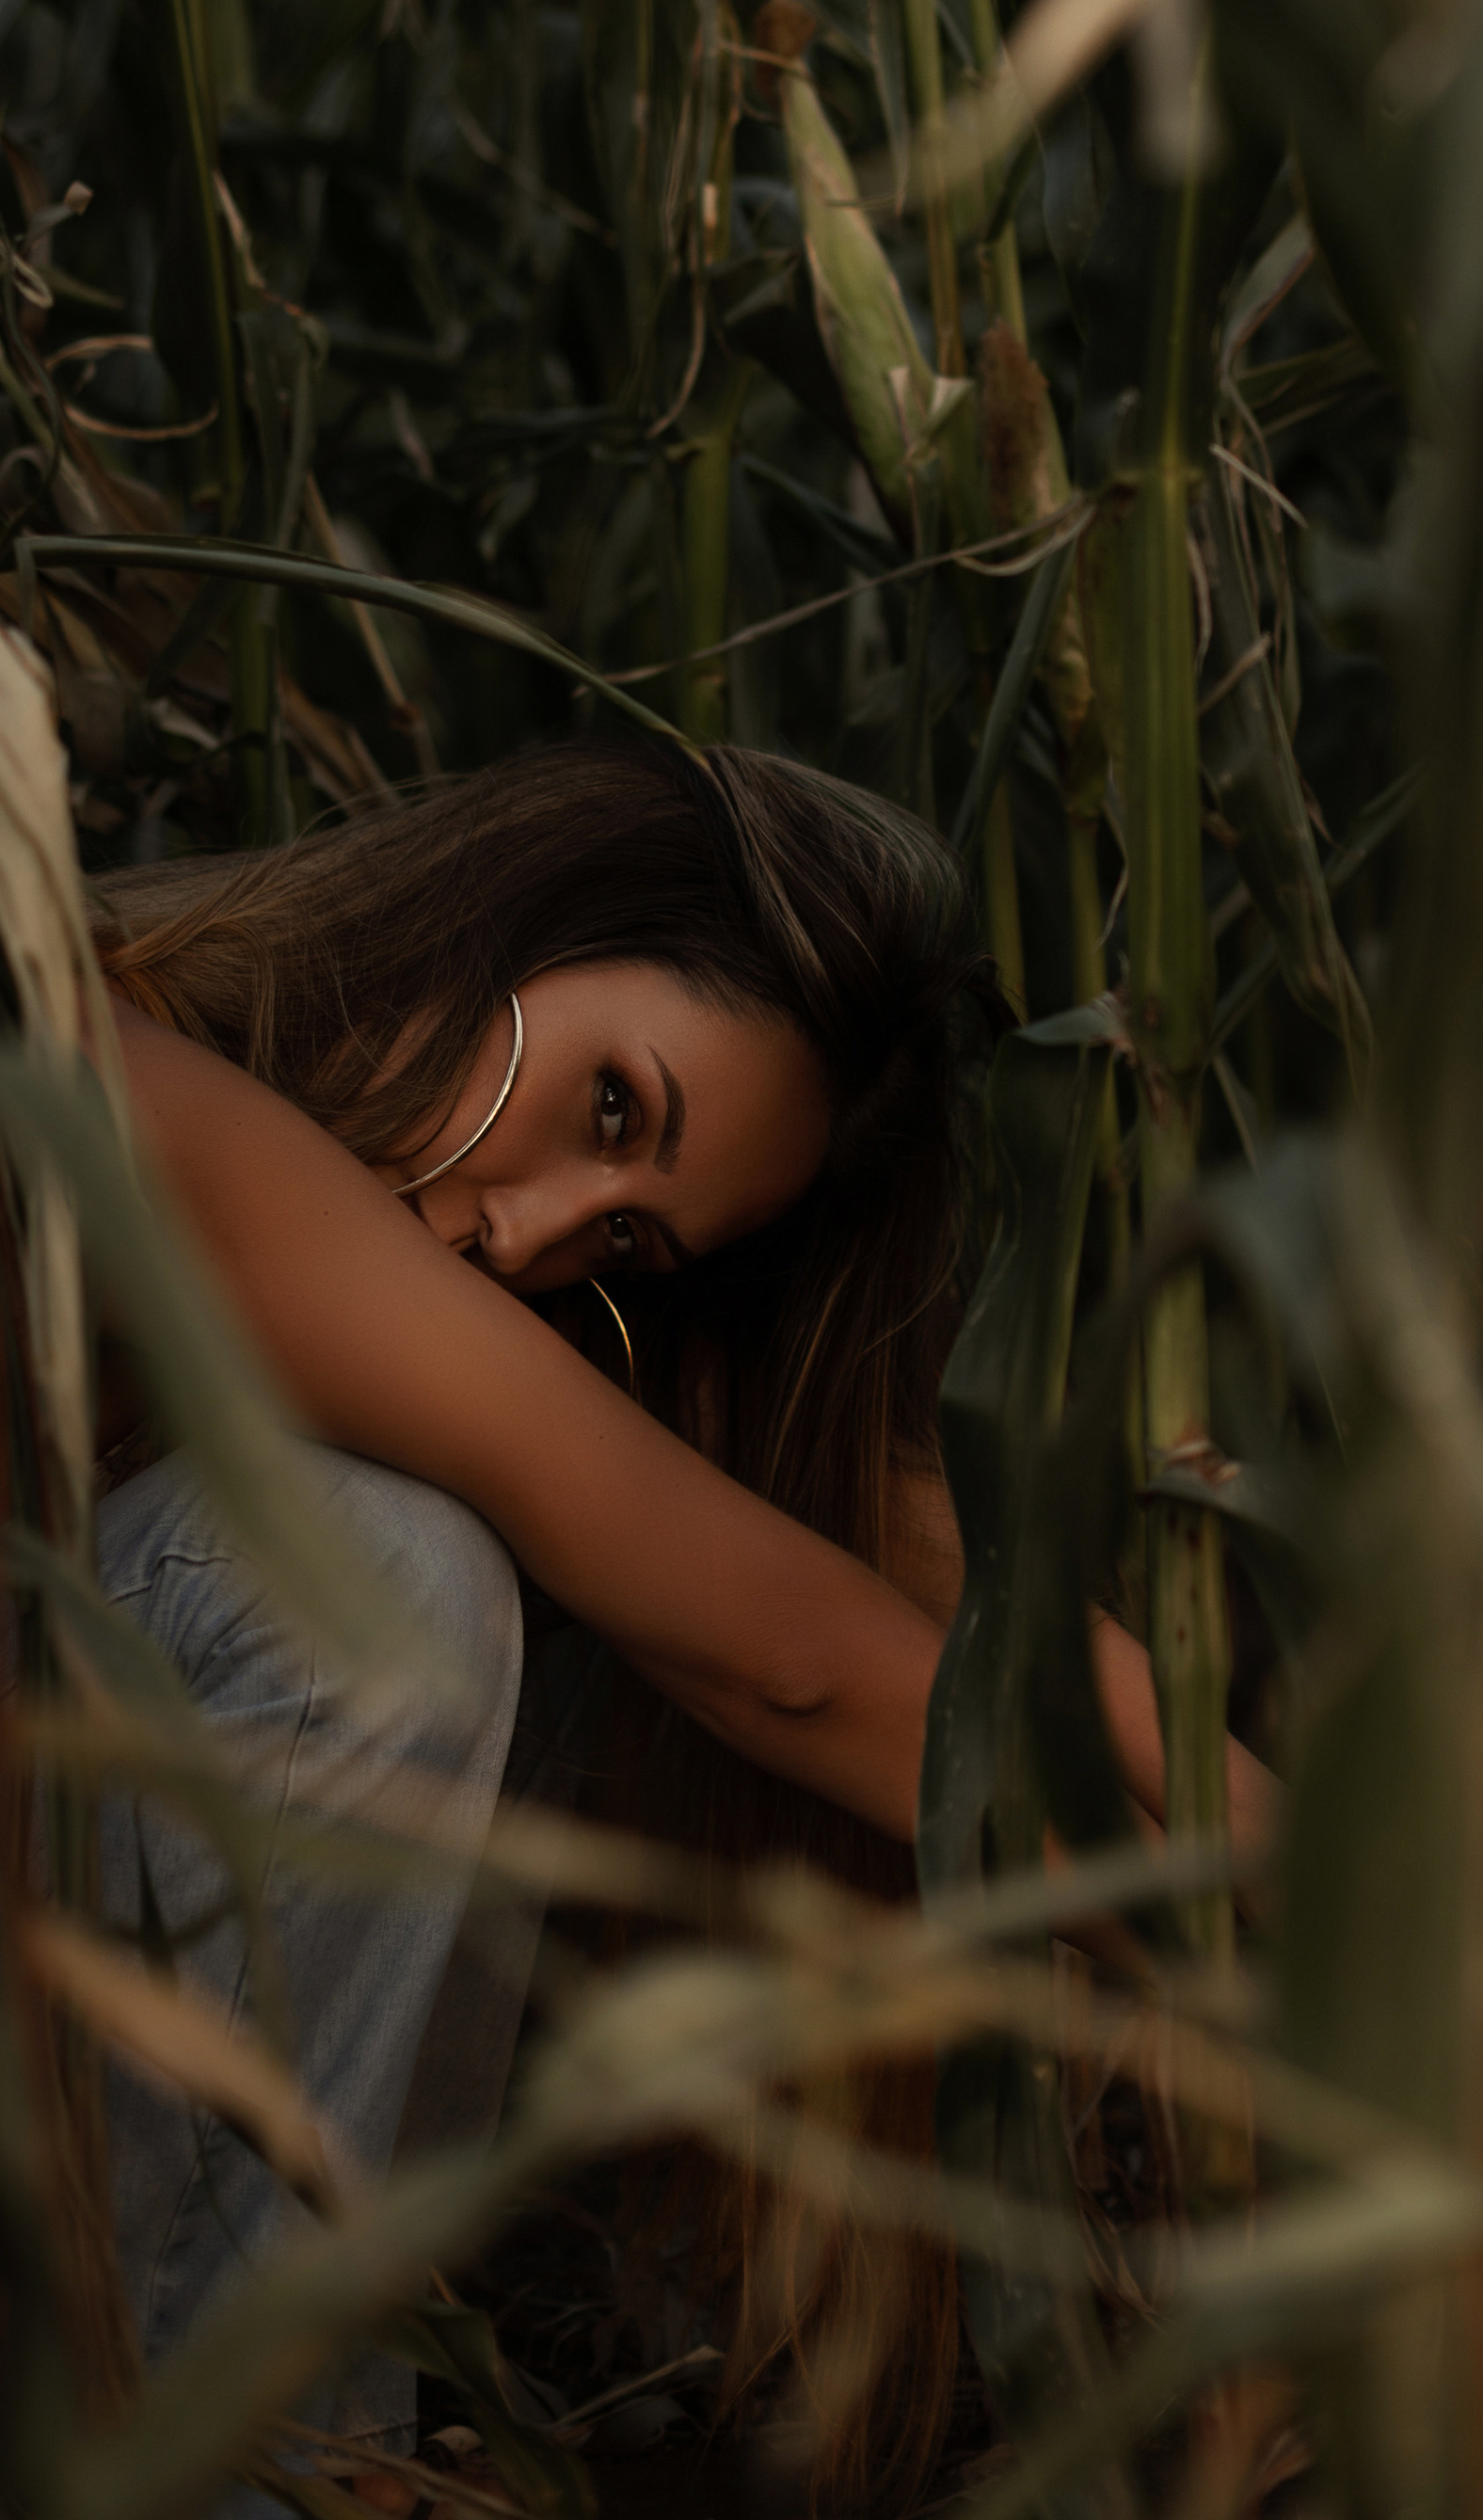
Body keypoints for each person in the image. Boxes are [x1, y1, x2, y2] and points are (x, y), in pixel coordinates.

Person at [88, 735, 1250, 2516]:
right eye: (614, 1108)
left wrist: (1317, 1856)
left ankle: (321, 2440)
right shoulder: (119, 1066)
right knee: (383, 1577)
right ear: (511, 913)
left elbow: (908, 1575)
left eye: (628, 1243)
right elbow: (788, 1660)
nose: (534, 1234)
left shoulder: (449, 1281)